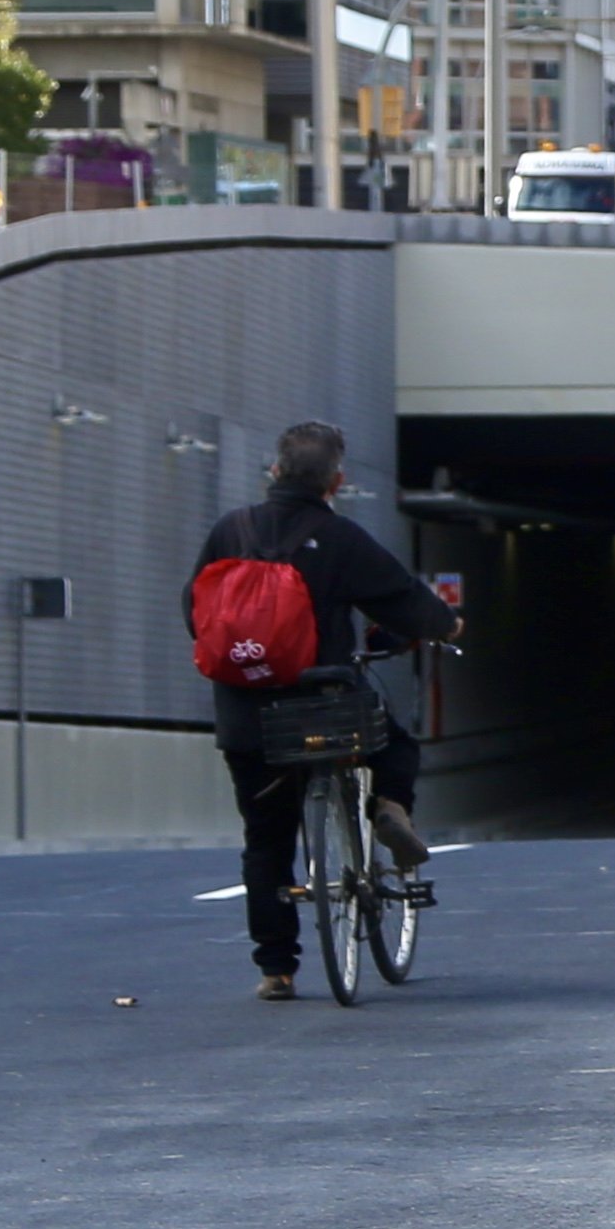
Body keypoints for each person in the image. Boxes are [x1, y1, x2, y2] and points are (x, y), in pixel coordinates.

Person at [192, 421, 458, 1001]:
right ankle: (389, 806)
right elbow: (406, 604)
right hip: (324, 707)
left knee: (265, 842)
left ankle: (277, 968)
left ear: (274, 471)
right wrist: (447, 624)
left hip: (249, 718)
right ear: (335, 481)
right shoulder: (339, 539)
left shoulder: (228, 531)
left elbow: (197, 615)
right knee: (395, 740)